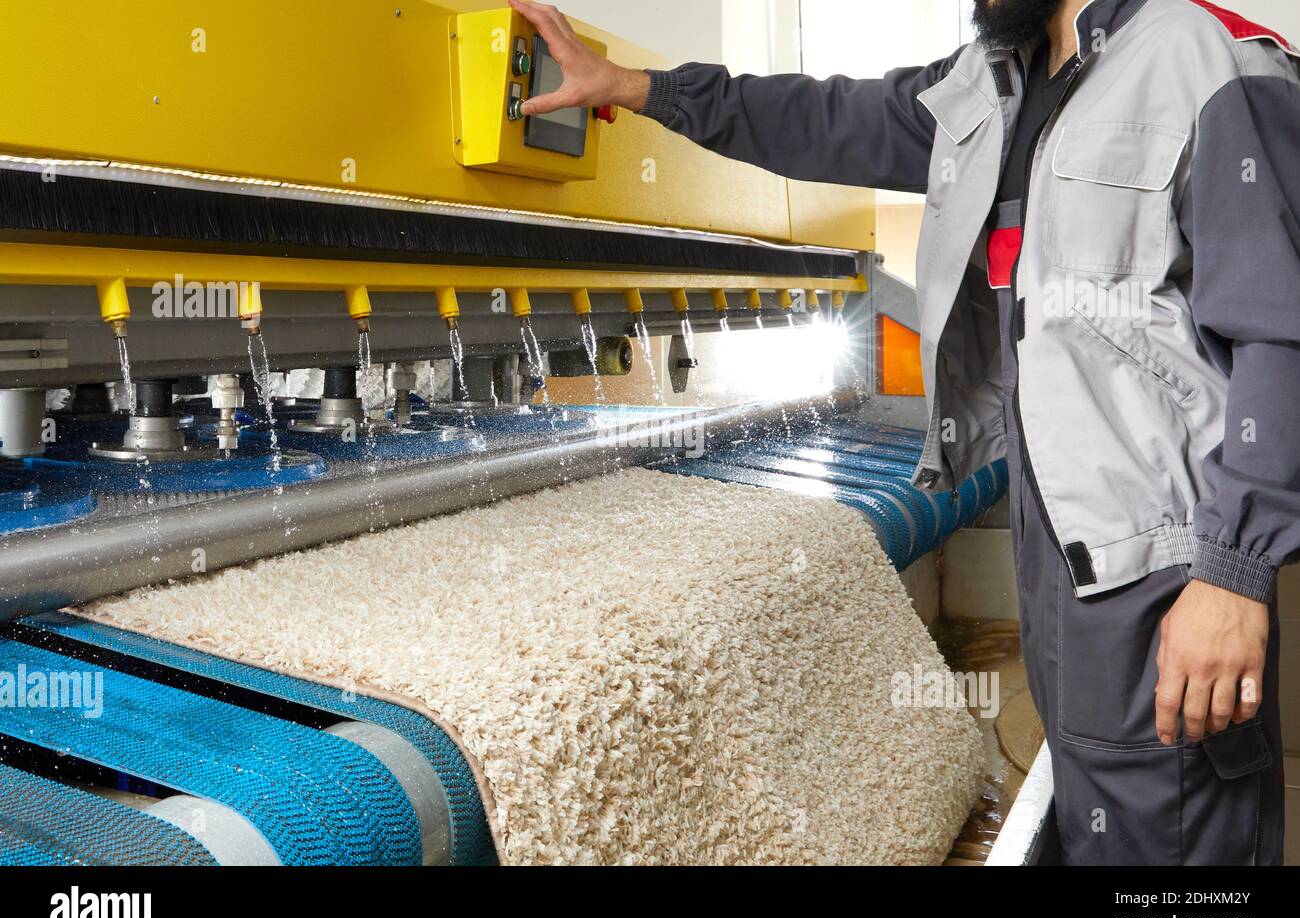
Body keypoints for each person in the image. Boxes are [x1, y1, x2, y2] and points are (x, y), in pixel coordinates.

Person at [508, 0, 1300, 865]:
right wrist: (640, 87)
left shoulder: (1207, 57)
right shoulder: (991, 86)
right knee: (1106, 829)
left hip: (1168, 576)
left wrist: (1232, 576)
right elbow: (820, 117)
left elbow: (1283, 333)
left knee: (1179, 858)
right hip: (1063, 560)